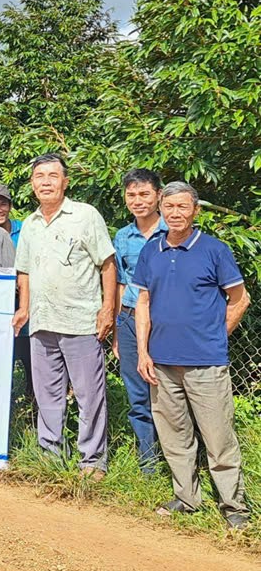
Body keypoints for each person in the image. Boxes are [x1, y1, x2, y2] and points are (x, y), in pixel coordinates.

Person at [134, 182, 251, 529]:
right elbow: (143, 302)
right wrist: (143, 351)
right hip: (161, 363)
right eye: (169, 206)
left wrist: (215, 337)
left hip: (206, 363)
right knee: (175, 436)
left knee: (218, 439)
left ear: (195, 211)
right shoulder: (150, 251)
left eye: (183, 207)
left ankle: (234, 507)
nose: (175, 213)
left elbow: (239, 299)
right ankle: (186, 498)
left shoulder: (214, 250)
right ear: (161, 207)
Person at [13, 153, 116, 480]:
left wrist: (108, 308)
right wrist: (24, 309)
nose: (45, 181)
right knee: (48, 396)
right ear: (32, 184)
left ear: (65, 181)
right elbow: (25, 272)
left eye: (52, 175)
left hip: (81, 322)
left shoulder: (85, 216)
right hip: (41, 323)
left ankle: (92, 461)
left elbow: (107, 264)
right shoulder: (29, 224)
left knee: (89, 396)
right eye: (39, 176)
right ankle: (50, 455)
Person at [113, 169, 165, 471]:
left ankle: (179, 461)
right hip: (131, 320)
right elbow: (120, 283)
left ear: (158, 195)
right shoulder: (123, 236)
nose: (138, 200)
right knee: (137, 393)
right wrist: (119, 330)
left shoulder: (171, 229)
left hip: (166, 321)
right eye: (131, 195)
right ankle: (148, 463)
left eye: (144, 194)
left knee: (169, 392)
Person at [0, 183, 31, 403]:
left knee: (32, 363)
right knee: (0, 366)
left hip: (26, 308)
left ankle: (34, 414)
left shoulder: (27, 229)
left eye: (3, 204)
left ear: (10, 206)